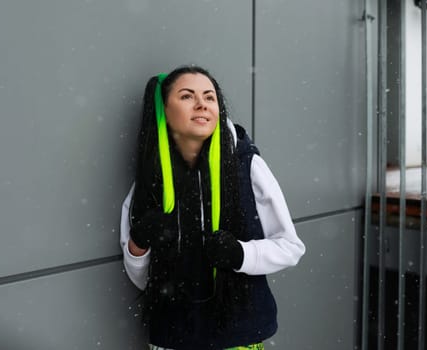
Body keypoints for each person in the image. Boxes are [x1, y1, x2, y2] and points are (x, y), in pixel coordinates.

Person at [120, 65, 305, 350]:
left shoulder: (247, 165)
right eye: (186, 96)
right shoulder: (149, 179)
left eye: (209, 97)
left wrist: (241, 254)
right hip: (172, 337)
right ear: (164, 112)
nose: (201, 105)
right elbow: (145, 281)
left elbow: (290, 247)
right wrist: (139, 244)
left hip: (238, 335)